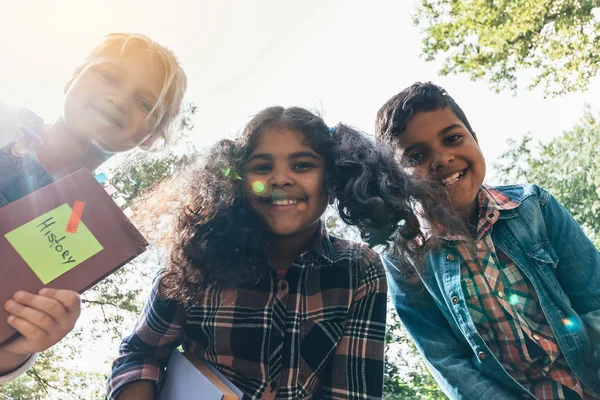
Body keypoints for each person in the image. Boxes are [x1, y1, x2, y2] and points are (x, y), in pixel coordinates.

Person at [106, 105, 448, 399]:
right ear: (238, 181)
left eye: (302, 165)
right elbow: (141, 353)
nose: (280, 178)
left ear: (333, 179)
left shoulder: (359, 270)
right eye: (262, 167)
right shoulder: (199, 252)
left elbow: (351, 391)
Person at [376, 81, 600, 399]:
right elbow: (447, 362)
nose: (442, 158)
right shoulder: (405, 258)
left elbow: (594, 299)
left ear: (476, 140)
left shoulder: (535, 207)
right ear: (395, 179)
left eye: (453, 138)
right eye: (416, 156)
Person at [0, 32, 187, 384]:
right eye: (110, 76)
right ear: (73, 76)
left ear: (150, 137)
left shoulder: (80, 227)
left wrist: (20, 346)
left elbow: (11, 314)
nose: (119, 99)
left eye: (146, 103)